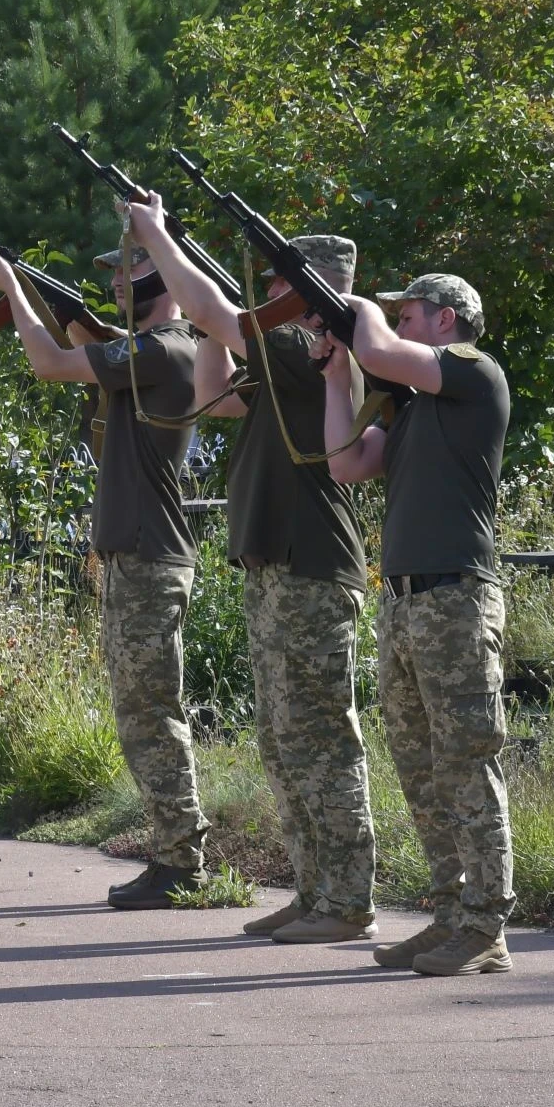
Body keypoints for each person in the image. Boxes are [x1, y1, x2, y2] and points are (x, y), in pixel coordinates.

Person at [126, 195, 377, 945]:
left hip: (313, 566)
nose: (265, 297)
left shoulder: (318, 348)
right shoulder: (286, 359)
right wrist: (208, 310)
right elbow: (212, 395)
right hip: (277, 567)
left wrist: (162, 241)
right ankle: (314, 890)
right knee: (280, 738)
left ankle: (347, 899)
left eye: (277, 287)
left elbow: (222, 317)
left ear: (309, 291)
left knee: (322, 740)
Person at [0, 233, 210, 909]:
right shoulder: (149, 351)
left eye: (130, 273)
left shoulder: (165, 348)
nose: (116, 285)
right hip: (136, 553)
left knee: (150, 713)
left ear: (161, 282)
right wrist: (52, 304)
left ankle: (182, 861)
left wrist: (13, 290)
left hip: (149, 554)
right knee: (141, 711)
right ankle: (175, 852)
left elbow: (50, 364)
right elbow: (79, 347)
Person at [316, 272, 515, 976]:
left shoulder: (470, 371)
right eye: (394, 314)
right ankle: (449, 914)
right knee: (422, 771)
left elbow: (381, 348)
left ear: (447, 319)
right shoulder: (409, 403)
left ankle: (486, 923)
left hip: (455, 597)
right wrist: (338, 373)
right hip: (405, 605)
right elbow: (345, 464)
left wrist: (358, 316)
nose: (395, 323)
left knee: (466, 764)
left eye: (407, 314)